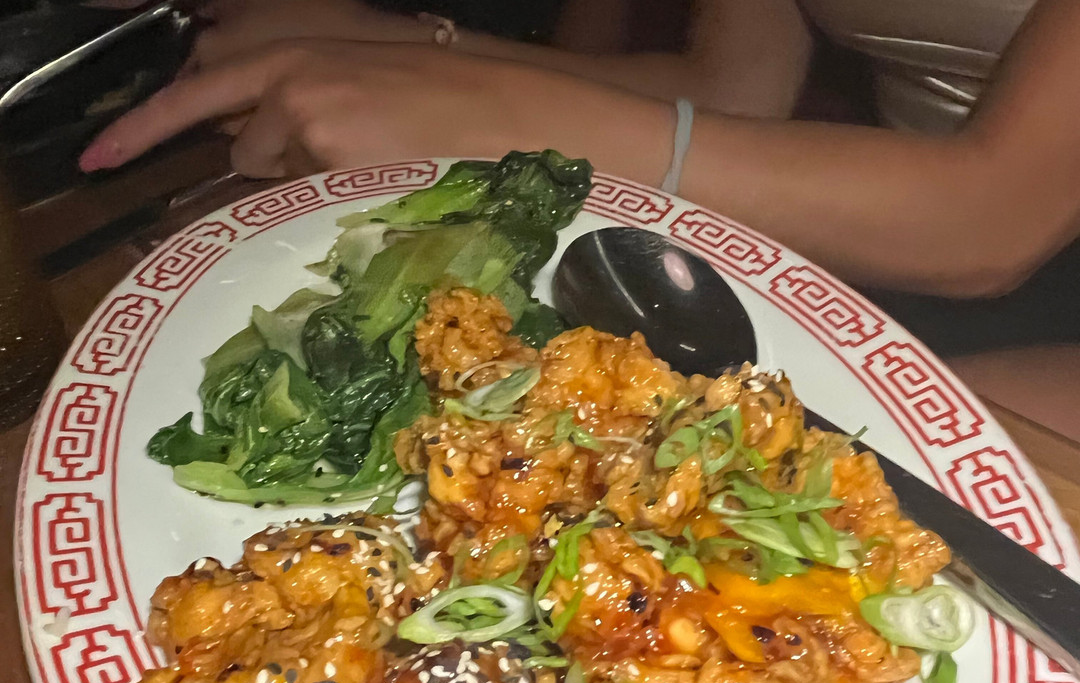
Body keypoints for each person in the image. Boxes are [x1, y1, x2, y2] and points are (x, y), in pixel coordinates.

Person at [78, 0, 1080, 436]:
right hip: (877, 226)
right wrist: (408, 48)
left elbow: (986, 218)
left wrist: (509, 119)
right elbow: (735, 88)